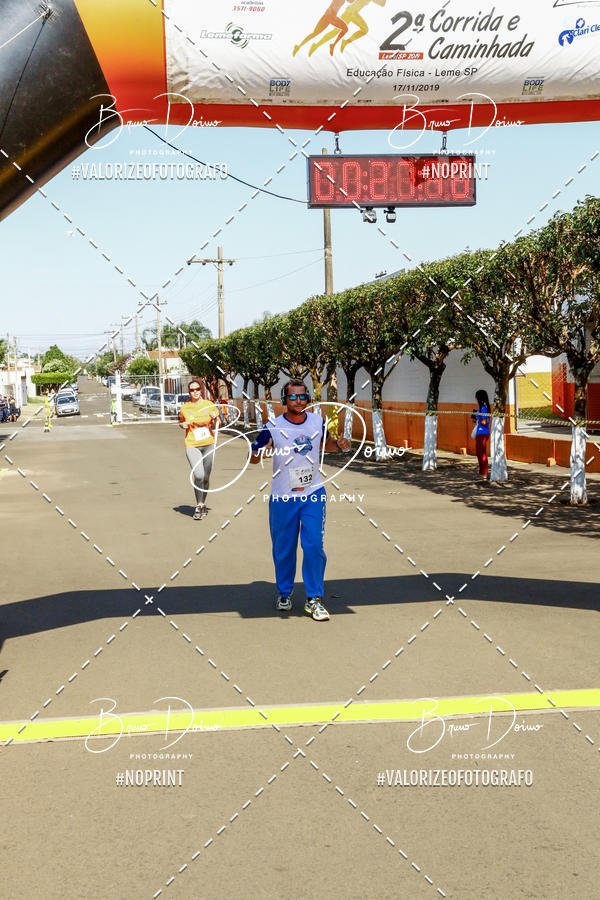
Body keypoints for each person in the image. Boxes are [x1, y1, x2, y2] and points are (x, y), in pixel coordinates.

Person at [250, 379, 351, 621]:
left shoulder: (317, 421)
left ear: (309, 399)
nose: (298, 401)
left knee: (314, 545)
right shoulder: (273, 425)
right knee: (283, 550)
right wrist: (257, 453)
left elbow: (325, 444)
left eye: (302, 396)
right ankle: (284, 592)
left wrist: (340, 444)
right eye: (293, 397)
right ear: (285, 400)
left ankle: (314, 598)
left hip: (312, 493)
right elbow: (256, 454)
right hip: (283, 497)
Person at [179, 379, 220, 520]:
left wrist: (215, 418)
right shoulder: (185, 407)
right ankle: (198, 504)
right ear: (189, 392)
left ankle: (203, 504)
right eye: (192, 390)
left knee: (206, 478)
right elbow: (181, 422)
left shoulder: (209, 405)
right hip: (192, 444)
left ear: (201, 390)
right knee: (199, 475)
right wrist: (182, 425)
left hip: (208, 444)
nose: (195, 392)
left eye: (197, 389)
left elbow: (219, 422)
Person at [471, 389, 491, 480]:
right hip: (479, 433)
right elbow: (477, 421)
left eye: (476, 397)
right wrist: (474, 418)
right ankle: (481, 473)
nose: (475, 399)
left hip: (483, 433)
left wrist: (477, 419)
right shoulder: (480, 409)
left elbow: (484, 421)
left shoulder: (484, 409)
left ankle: (484, 474)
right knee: (479, 453)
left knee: (482, 454)